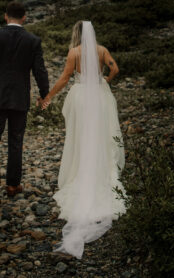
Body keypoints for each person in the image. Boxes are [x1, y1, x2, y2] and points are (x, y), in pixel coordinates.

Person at [39, 20, 125, 258]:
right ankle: (102, 169)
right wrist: (105, 82)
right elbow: (114, 69)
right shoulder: (102, 50)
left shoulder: (74, 52)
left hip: (81, 98)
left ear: (76, 33)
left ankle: (82, 169)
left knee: (81, 136)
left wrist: (47, 97)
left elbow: (65, 79)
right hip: (99, 95)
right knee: (101, 134)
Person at [0, 0, 50, 208]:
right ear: (24, 17)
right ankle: (13, 185)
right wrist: (44, 94)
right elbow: (40, 71)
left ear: (6, 17)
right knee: (15, 140)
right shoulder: (33, 40)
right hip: (19, 99)